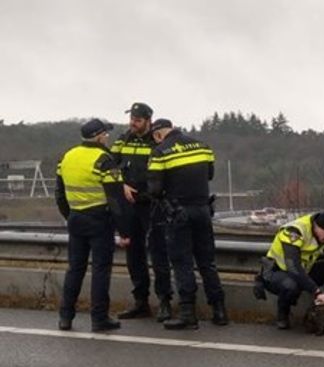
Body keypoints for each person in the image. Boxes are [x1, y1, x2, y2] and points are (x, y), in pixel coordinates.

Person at [147, 118, 227, 330]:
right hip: (203, 209)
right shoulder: (202, 146)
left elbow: (154, 190)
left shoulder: (160, 152)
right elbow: (209, 174)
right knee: (207, 262)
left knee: (182, 263)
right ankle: (219, 310)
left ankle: (187, 313)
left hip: (178, 212)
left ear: (157, 135)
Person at [55, 119, 131, 332]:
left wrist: (69, 216)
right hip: (99, 220)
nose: (107, 137)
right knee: (100, 270)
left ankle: (65, 317)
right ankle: (99, 319)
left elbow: (59, 193)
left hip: (76, 219)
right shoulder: (104, 159)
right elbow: (116, 200)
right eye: (105, 134)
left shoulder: (67, 157)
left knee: (75, 269)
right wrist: (124, 231)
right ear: (98, 136)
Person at [112, 102, 174, 322]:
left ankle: (165, 301)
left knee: (158, 254)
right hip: (130, 207)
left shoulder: (158, 141)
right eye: (131, 119)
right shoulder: (123, 139)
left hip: (153, 205)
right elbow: (109, 166)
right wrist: (121, 184)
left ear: (148, 121)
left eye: (137, 120)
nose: (133, 123)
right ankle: (141, 302)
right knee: (134, 254)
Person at [257, 210, 324, 329]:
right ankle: (283, 314)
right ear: (318, 226)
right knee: (290, 285)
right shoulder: (294, 231)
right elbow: (293, 267)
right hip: (277, 272)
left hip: (304, 271)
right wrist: (317, 292)